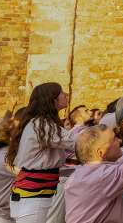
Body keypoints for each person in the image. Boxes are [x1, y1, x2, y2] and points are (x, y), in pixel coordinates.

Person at [7, 83, 75, 223]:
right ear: (53, 99)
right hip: (33, 195)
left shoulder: (42, 123)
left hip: (37, 193)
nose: (66, 95)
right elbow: (75, 142)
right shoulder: (42, 125)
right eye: (62, 92)